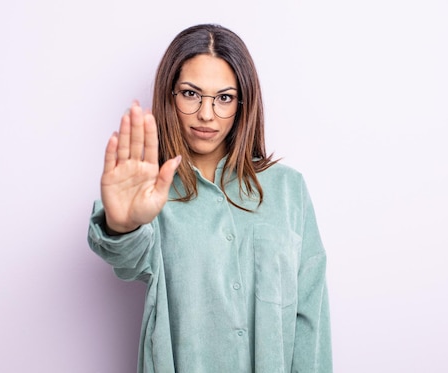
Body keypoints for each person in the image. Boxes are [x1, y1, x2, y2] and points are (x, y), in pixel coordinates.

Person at [87, 23, 332, 373]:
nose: (206, 114)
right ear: (169, 95)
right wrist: (122, 225)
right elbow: (127, 263)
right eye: (190, 94)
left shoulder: (288, 189)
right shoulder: (151, 190)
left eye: (224, 98)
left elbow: (312, 315)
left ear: (243, 103)